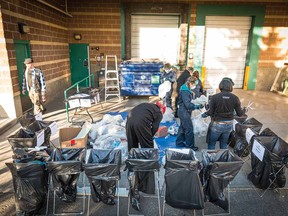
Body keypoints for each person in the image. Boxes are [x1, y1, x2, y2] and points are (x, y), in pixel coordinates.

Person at [201, 78, 247, 150]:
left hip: (217, 124)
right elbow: (240, 114)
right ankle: (223, 159)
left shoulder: (214, 97)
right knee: (224, 144)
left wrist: (203, 115)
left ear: (221, 86)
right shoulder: (235, 98)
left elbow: (210, 112)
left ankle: (211, 159)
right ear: (230, 87)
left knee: (211, 144)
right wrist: (245, 110)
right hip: (229, 125)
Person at [176, 76, 203, 151]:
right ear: (191, 83)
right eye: (195, 85)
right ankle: (190, 146)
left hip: (182, 110)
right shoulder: (185, 91)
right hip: (184, 111)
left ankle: (179, 142)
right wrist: (197, 106)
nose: (195, 86)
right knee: (189, 129)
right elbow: (187, 104)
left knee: (182, 127)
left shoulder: (185, 88)